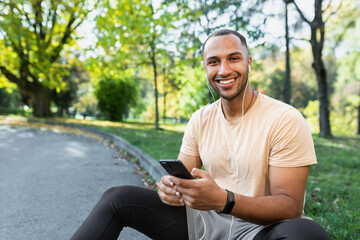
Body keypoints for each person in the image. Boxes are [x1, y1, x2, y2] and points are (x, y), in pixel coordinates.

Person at [70, 29, 330, 240]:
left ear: (248, 62)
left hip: (260, 230)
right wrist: (168, 188)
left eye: (234, 58)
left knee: (306, 233)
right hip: (204, 226)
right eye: (214, 62)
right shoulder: (201, 118)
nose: (224, 70)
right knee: (118, 198)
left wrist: (224, 200)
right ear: (206, 68)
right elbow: (182, 175)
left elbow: (290, 206)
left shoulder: (285, 118)